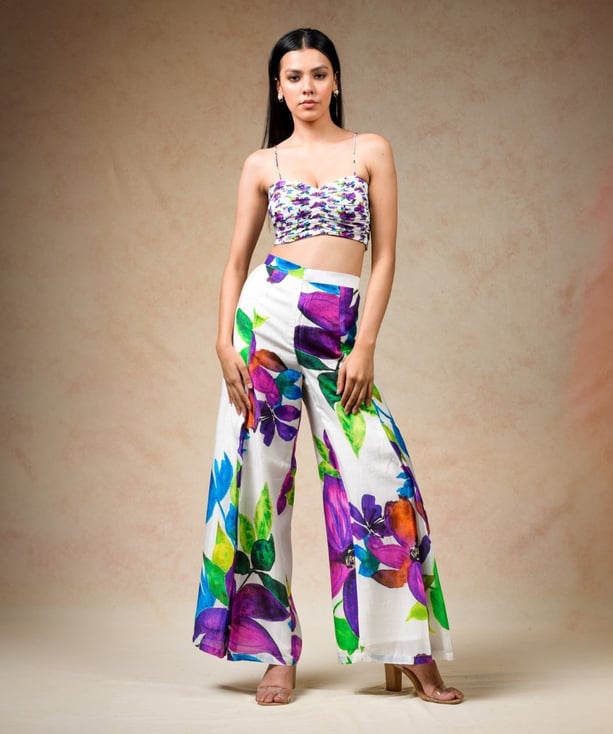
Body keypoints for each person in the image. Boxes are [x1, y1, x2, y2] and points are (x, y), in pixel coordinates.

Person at [193, 28, 464, 707]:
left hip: (338, 327)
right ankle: (273, 653)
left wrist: (365, 344)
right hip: (262, 325)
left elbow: (386, 256)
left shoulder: (370, 150)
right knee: (256, 488)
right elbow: (235, 261)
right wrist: (223, 343)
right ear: (278, 89)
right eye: (294, 77)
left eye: (318, 73)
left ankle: (407, 649)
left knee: (378, 477)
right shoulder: (262, 163)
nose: (307, 86)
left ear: (335, 80)